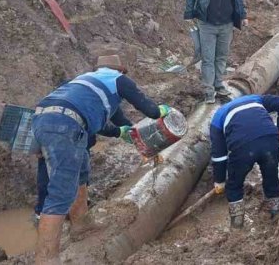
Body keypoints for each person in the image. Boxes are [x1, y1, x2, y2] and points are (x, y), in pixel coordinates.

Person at [31, 55, 179, 264]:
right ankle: (47, 259)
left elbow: (111, 123)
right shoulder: (118, 79)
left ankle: (81, 224)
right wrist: (162, 110)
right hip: (64, 126)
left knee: (81, 174)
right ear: (120, 71)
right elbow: (151, 110)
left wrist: (125, 133)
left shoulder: (89, 84)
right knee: (60, 193)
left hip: (47, 119)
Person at [33, 109, 131, 226]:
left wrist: (131, 128)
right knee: (60, 175)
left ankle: (73, 208)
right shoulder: (85, 98)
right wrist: (118, 131)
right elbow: (97, 122)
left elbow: (113, 112)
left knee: (76, 175)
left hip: (63, 132)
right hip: (63, 134)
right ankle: (50, 215)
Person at [209, 94, 279, 228]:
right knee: (271, 175)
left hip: (242, 147)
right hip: (269, 138)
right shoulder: (256, 99)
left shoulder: (217, 119)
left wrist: (220, 181)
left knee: (234, 184)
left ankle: (237, 223)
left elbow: (219, 156)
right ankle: (275, 210)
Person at [184, 0, 248, 104]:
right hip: (207, 22)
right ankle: (208, 91)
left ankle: (219, 85)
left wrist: (242, 16)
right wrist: (189, 12)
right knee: (208, 58)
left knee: (221, 57)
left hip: (226, 23)